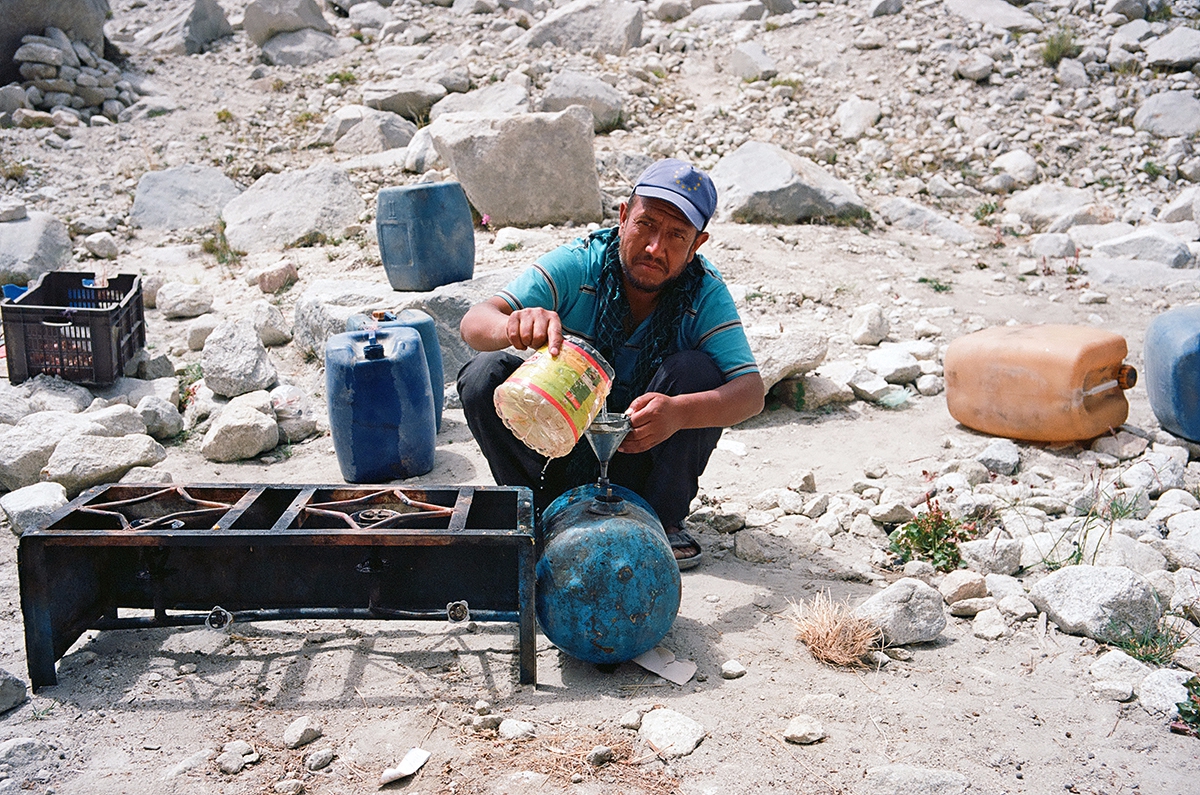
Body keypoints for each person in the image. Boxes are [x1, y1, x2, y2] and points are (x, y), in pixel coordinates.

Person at [457, 158, 764, 569]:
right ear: (622, 217)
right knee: (484, 376)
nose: (656, 247)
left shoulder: (705, 294)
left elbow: (750, 393)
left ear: (697, 246)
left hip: (642, 452)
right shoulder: (580, 263)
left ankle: (660, 520)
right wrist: (516, 324)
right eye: (646, 225)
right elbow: (474, 322)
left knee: (697, 373)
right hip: (556, 448)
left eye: (676, 235)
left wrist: (676, 413)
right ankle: (537, 511)